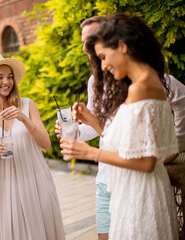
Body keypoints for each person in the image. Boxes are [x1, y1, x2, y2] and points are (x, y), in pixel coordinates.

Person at [56, 15, 185, 240]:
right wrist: (91, 121)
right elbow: (130, 143)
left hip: (140, 192)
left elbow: (145, 162)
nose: (103, 64)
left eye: (104, 56)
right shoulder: (148, 81)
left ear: (122, 46)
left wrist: (90, 152)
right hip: (138, 187)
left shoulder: (140, 88)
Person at [0, 54, 65, 240]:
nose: (6, 81)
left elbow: (46, 144)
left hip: (38, 181)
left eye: (10, 76)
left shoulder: (28, 105)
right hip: (9, 189)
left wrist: (23, 118)